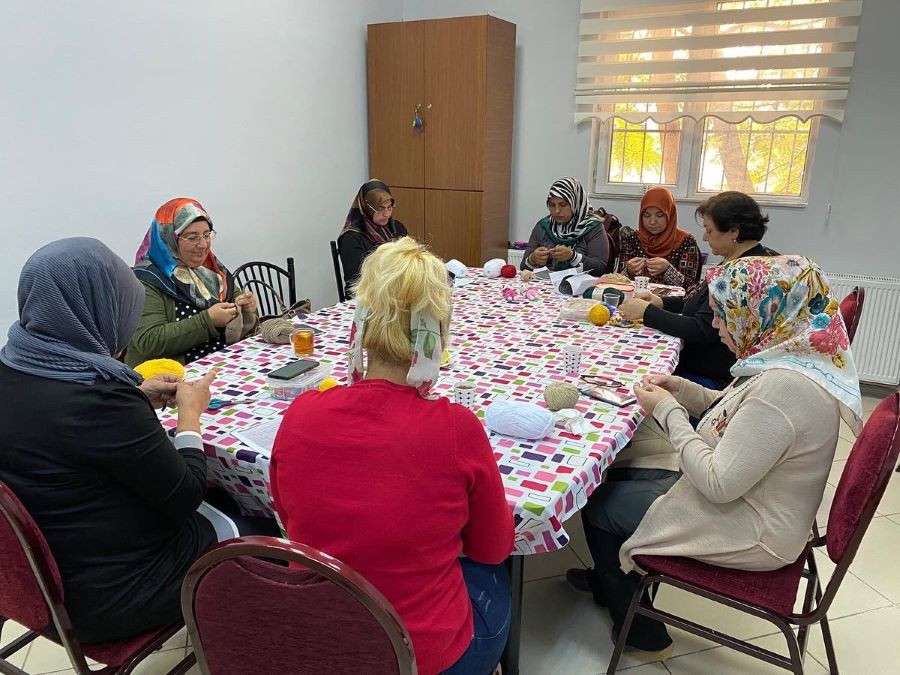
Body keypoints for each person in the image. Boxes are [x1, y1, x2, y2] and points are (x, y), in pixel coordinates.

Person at [567, 255, 862, 652]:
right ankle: (612, 579)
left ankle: (639, 626)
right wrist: (682, 390)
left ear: (761, 313)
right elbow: (737, 410)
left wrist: (669, 412)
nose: (717, 325)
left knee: (600, 503)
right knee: (617, 474)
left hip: (756, 529)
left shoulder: (785, 387)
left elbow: (718, 484)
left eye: (724, 314)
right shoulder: (790, 358)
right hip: (759, 497)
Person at [271, 237, 514, 675]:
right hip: (418, 656)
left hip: (319, 640)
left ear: (361, 320)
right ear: (438, 330)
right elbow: (492, 548)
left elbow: (288, 517)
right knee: (497, 575)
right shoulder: (456, 427)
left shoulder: (301, 412)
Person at [0, 237, 227, 643]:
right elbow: (187, 494)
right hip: (111, 595)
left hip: (32, 583)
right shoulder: (102, 400)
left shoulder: (15, 365)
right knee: (240, 515)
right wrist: (190, 414)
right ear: (97, 308)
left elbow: (59, 427)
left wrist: (136, 394)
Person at [618, 191, 777, 388]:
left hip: (711, 374)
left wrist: (647, 312)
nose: (704, 237)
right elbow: (701, 304)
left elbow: (702, 329)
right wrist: (661, 302)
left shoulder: (740, 274)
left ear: (734, 232)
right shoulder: (748, 259)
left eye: (709, 230)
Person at [126, 197, 258, 367]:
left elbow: (240, 312)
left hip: (221, 364)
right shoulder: (147, 278)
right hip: (170, 376)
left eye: (206, 235)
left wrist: (247, 309)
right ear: (169, 237)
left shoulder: (211, 269)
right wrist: (207, 321)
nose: (203, 245)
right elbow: (148, 341)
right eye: (192, 237)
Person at [617, 186, 701, 290]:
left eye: (659, 215)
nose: (652, 222)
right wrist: (628, 271)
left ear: (670, 214)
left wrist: (668, 270)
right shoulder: (632, 238)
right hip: (635, 297)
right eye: (647, 215)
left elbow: (692, 288)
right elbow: (618, 281)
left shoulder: (686, 241)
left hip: (670, 300)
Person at [520, 177, 610, 274]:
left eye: (563, 205)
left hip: (580, 283)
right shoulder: (543, 226)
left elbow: (600, 268)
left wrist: (573, 257)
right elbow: (523, 267)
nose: (557, 211)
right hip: (546, 282)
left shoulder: (592, 227)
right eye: (552, 205)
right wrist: (532, 259)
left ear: (575, 203)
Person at [338, 179, 408, 298]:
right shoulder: (351, 237)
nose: (386, 214)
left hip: (397, 291)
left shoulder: (397, 228)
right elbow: (356, 281)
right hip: (367, 296)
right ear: (366, 208)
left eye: (389, 207)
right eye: (380, 209)